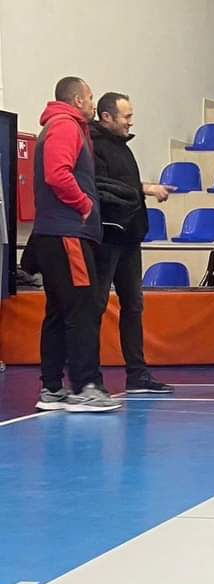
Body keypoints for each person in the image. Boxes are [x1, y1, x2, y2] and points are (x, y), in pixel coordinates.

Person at [32, 77, 121, 413]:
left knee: (59, 311)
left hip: (56, 233)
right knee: (83, 308)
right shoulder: (65, 127)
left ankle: (52, 388)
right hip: (68, 234)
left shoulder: (61, 127)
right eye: (90, 97)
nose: (93, 103)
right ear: (78, 99)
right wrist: (84, 205)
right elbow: (57, 174)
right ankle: (86, 386)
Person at [90, 92, 173, 395]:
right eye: (126, 116)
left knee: (133, 305)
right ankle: (89, 377)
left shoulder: (122, 146)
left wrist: (147, 188)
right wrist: (137, 193)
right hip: (108, 237)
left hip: (129, 236)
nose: (131, 121)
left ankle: (137, 374)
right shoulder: (95, 146)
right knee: (96, 306)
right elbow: (104, 187)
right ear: (107, 116)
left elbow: (123, 185)